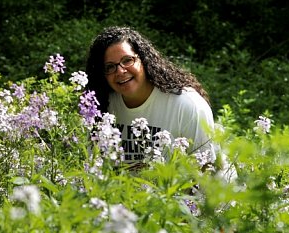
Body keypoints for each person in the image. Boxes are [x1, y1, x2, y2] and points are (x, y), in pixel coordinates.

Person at [84, 26, 234, 180]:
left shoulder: (187, 104)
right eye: (110, 67)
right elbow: (94, 168)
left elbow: (208, 171)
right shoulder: (101, 106)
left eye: (127, 60)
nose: (120, 71)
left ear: (143, 59)